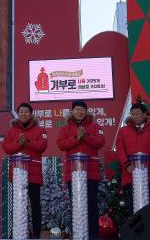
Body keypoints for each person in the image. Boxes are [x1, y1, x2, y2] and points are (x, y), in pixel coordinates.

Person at [57, 100, 105, 239]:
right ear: (72, 111)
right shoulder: (65, 129)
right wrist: (77, 138)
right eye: (77, 109)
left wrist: (86, 136)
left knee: (91, 205)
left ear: (86, 111)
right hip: (74, 174)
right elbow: (61, 144)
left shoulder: (95, 126)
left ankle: (93, 236)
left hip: (91, 173)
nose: (80, 112)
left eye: (82, 109)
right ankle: (78, 235)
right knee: (76, 205)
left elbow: (100, 142)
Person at [3, 102, 48, 238]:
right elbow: (6, 148)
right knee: (18, 204)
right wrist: (19, 143)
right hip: (18, 173)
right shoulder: (11, 131)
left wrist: (27, 142)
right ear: (18, 114)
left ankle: (36, 235)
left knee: (35, 205)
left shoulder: (40, 130)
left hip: (33, 173)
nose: (23, 114)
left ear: (31, 114)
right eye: (21, 111)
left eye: (26, 111)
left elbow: (42, 146)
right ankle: (17, 233)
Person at [115, 103, 150, 214]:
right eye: (132, 114)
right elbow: (120, 150)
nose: (135, 116)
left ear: (145, 114)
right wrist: (127, 165)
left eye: (138, 113)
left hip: (149, 175)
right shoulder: (123, 131)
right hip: (130, 175)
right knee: (133, 209)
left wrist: (149, 164)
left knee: (149, 209)